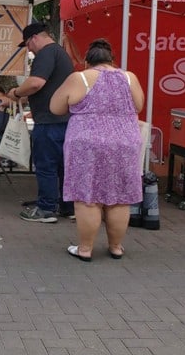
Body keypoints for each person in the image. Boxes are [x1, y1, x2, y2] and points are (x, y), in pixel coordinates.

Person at [50, 38, 145, 261]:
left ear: (87, 60)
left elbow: (55, 107)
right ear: (112, 59)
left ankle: (85, 249)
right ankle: (116, 247)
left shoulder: (80, 78)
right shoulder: (129, 77)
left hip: (87, 143)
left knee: (87, 196)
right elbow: (139, 106)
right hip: (125, 142)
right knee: (120, 197)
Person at [6, 23, 74, 223]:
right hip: (63, 120)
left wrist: (17, 93)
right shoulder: (60, 54)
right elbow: (49, 88)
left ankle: (46, 208)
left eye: (28, 44)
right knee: (62, 166)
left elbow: (36, 83)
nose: (29, 49)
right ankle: (66, 205)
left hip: (49, 121)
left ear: (34, 38)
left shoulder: (45, 53)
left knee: (46, 165)